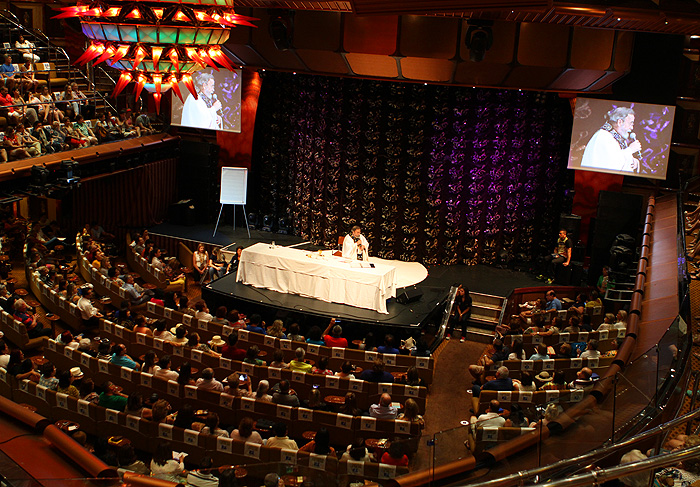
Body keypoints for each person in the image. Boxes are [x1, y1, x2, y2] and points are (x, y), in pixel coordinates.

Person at [581, 106, 642, 173]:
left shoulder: (615, 136)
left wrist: (633, 161)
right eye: (630, 123)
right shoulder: (603, 137)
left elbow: (618, 157)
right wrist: (630, 150)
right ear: (620, 122)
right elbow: (610, 164)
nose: (632, 128)